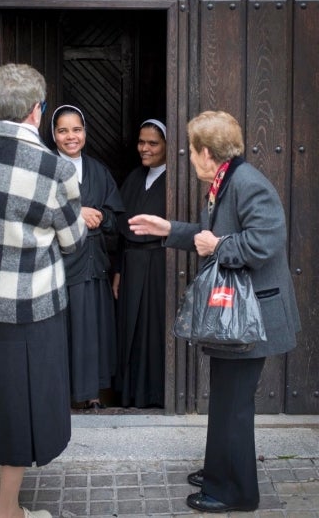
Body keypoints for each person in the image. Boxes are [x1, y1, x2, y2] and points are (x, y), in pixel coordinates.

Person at [128, 110, 300, 513]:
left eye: (190, 151)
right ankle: (220, 470)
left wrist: (218, 247)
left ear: (206, 153)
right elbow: (211, 236)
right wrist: (169, 229)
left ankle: (237, 492)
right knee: (225, 398)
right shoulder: (225, 179)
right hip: (237, 317)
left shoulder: (248, 184)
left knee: (235, 403)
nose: (188, 157)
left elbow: (264, 242)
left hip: (252, 317)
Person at [0, 64, 87, 518]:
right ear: (37, 111)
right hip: (31, 309)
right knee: (17, 406)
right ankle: (10, 511)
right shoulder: (53, 169)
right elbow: (74, 242)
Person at [51, 105, 124, 410]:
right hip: (61, 266)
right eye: (63, 130)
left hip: (94, 264)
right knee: (66, 331)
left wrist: (100, 217)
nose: (71, 136)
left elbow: (116, 218)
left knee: (93, 331)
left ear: (85, 132)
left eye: (77, 129)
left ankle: (93, 394)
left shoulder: (98, 170)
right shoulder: (45, 170)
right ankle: (62, 395)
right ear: (53, 134)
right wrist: (75, 213)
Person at [112, 119, 167, 408]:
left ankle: (154, 396)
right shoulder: (134, 178)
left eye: (153, 143)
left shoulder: (175, 180)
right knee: (129, 330)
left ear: (169, 146)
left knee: (152, 329)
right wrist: (119, 270)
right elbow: (123, 230)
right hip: (131, 265)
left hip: (159, 266)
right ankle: (130, 395)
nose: (144, 149)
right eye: (141, 142)